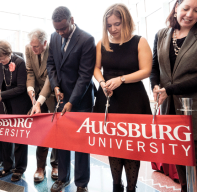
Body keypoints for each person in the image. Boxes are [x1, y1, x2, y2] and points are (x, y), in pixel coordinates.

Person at [93, 4, 152, 192]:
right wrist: (102, 83)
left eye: (117, 24)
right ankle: (116, 186)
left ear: (126, 21)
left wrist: (122, 79)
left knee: (132, 147)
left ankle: (132, 188)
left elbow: (146, 71)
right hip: (109, 99)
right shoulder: (102, 43)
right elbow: (96, 69)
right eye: (109, 25)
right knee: (114, 145)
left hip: (133, 99)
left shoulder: (139, 41)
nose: (113, 29)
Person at [47, 6, 96, 192]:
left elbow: (85, 76)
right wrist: (55, 87)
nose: (60, 33)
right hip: (61, 97)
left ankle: (81, 183)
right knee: (62, 141)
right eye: (57, 29)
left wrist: (71, 102)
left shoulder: (86, 39)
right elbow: (50, 64)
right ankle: (63, 178)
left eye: (63, 29)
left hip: (81, 100)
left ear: (72, 20)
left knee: (81, 144)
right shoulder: (54, 36)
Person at [150, 0, 197, 191]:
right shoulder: (161, 34)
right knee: (178, 153)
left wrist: (169, 90)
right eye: (186, 8)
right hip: (169, 107)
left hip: (194, 106)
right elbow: (154, 68)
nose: (190, 14)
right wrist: (154, 86)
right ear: (176, 6)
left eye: (196, 10)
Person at [0, 40, 31, 182]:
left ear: (8, 53)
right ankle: (8, 166)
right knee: (6, 135)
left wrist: (2, 95)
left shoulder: (19, 62)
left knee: (19, 138)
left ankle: (19, 168)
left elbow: (21, 87)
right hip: (5, 105)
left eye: (2, 58)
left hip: (19, 104)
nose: (0, 61)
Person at [26, 29, 58, 182]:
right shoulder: (29, 48)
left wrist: (40, 100)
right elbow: (31, 71)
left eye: (36, 47)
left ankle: (56, 164)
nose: (33, 50)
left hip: (52, 95)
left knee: (56, 132)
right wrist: (30, 88)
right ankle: (40, 167)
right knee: (41, 132)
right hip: (36, 95)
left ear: (45, 43)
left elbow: (50, 78)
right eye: (31, 46)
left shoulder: (54, 49)